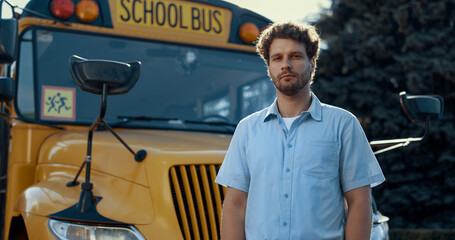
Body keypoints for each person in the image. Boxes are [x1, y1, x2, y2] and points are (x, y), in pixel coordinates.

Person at [215, 22, 385, 240]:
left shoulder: (343, 124)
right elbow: (235, 206)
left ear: (312, 62)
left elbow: (359, 202)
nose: (286, 64)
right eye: (277, 58)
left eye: (295, 56)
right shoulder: (247, 129)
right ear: (268, 68)